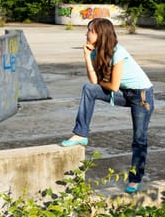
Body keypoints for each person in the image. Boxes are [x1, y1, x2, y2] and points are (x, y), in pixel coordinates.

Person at [61, 18, 154, 194]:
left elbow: (113, 86)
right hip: (125, 93)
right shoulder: (97, 52)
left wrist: (101, 81)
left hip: (142, 96)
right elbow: (93, 82)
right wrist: (87, 56)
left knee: (139, 139)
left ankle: (135, 179)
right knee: (89, 89)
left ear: (100, 34)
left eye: (90, 31)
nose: (86, 34)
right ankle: (80, 133)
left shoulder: (118, 52)